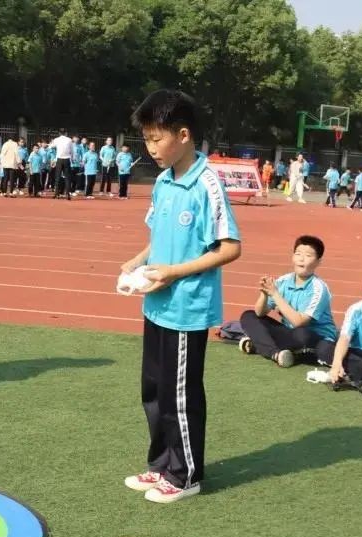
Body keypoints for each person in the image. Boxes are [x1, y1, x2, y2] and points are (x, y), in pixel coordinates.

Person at [120, 89, 242, 504]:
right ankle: (160, 466)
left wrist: (173, 273)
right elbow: (158, 237)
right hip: (156, 302)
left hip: (186, 309)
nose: (150, 148)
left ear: (184, 134)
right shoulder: (164, 182)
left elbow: (229, 247)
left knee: (180, 396)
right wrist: (137, 262)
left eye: (156, 139)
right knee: (152, 390)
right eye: (147, 140)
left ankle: (185, 474)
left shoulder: (207, 184)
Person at [238, 236, 337, 368]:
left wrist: (275, 294)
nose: (301, 259)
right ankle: (276, 354)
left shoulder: (319, 288)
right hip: (289, 334)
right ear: (292, 256)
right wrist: (264, 294)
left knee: (302, 334)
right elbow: (260, 313)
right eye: (298, 254)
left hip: (315, 337)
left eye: (308, 255)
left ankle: (260, 345)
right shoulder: (284, 281)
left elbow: (299, 322)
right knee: (249, 316)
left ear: (318, 261)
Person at [49, 129, 74, 199]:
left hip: (59, 159)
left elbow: (51, 146)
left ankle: (56, 194)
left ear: (59, 133)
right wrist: (72, 159)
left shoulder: (56, 139)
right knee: (67, 177)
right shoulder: (69, 140)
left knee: (57, 177)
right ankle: (68, 194)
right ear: (65, 133)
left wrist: (50, 144)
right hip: (67, 159)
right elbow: (72, 151)